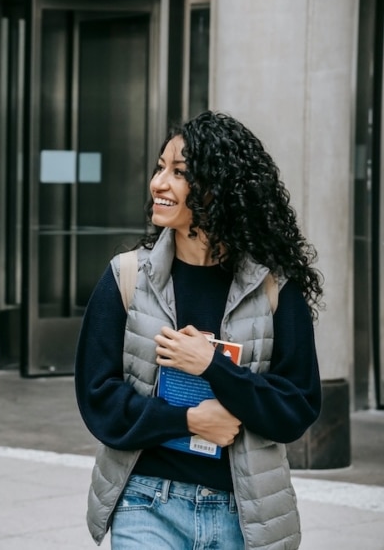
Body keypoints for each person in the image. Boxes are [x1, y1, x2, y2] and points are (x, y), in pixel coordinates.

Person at [75, 111, 323, 550]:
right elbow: (98, 398)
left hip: (241, 514)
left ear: (218, 188)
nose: (158, 183)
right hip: (146, 501)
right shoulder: (127, 276)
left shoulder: (274, 288)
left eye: (179, 173)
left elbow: (296, 407)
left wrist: (213, 366)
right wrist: (186, 421)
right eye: (159, 168)